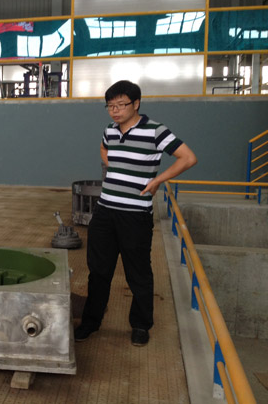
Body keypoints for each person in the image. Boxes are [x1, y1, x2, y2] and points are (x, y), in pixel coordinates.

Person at [75, 80, 197, 347]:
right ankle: (90, 322)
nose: (115, 111)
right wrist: (114, 167)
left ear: (136, 103)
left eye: (121, 105)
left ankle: (141, 325)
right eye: (110, 106)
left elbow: (188, 157)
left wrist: (157, 180)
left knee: (138, 273)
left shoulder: (155, 131)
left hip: (135, 215)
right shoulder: (110, 130)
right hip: (105, 212)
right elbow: (103, 148)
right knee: (98, 271)